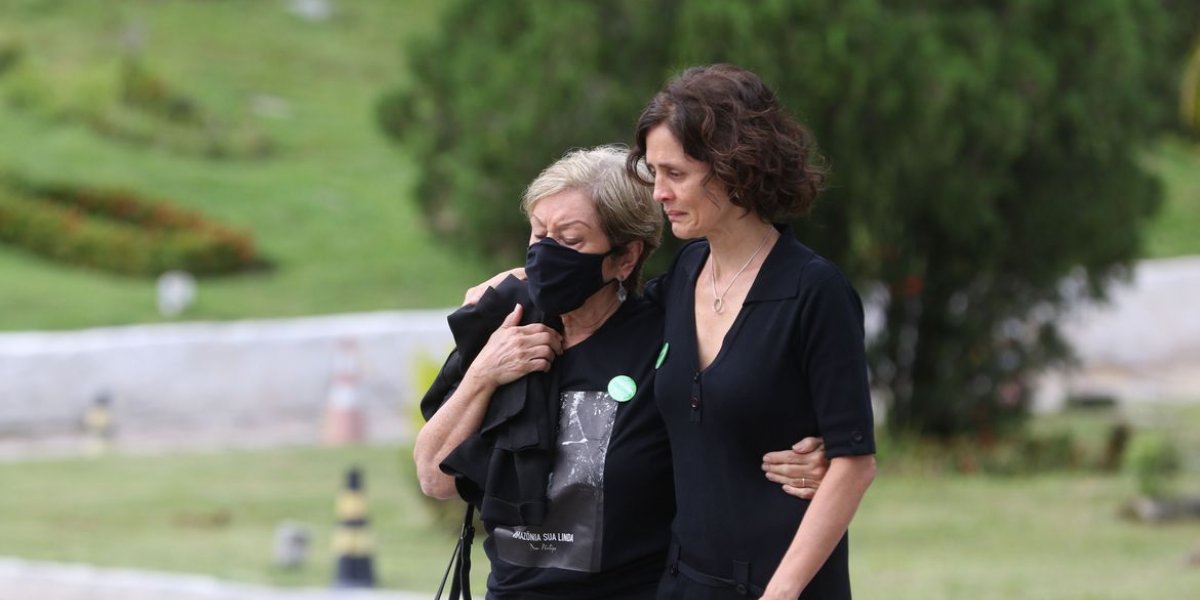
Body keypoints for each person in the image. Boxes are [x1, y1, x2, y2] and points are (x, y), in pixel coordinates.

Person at [414, 146, 830, 600]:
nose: (546, 254)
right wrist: (484, 373)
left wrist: (813, 455)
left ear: (624, 258)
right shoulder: (507, 323)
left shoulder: (667, 341)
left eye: (570, 240)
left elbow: (728, 427)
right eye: (538, 235)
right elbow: (436, 479)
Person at [627, 64, 877, 599]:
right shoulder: (683, 277)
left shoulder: (816, 292)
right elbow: (598, 322)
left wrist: (780, 594)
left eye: (676, 174)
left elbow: (854, 463)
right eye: (654, 173)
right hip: (683, 585)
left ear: (733, 167)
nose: (658, 194)